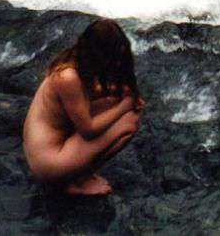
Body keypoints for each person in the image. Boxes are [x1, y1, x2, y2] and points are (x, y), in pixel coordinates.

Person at [23, 19, 146, 196]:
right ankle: (75, 182)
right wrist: (124, 105)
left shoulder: (73, 60)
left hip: (47, 151)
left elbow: (88, 92)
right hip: (49, 161)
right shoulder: (67, 78)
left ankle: (73, 174)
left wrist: (123, 94)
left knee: (118, 103)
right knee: (129, 122)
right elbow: (88, 130)